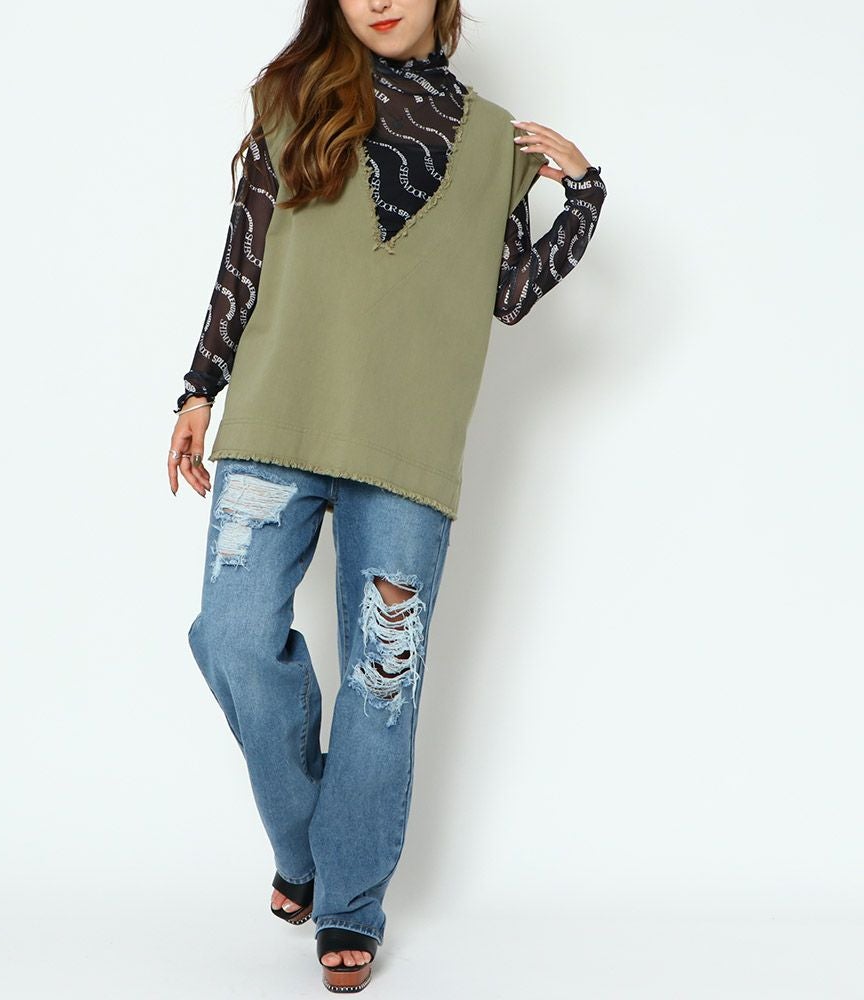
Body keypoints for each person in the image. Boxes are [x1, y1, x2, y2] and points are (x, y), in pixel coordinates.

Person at [167, 1, 607, 992]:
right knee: (232, 634)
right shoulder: (292, 103)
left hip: (407, 443)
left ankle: (347, 901)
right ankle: (306, 842)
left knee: (381, 680)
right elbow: (244, 257)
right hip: (276, 421)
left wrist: (582, 196)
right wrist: (198, 389)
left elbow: (508, 294)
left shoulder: (494, 141)